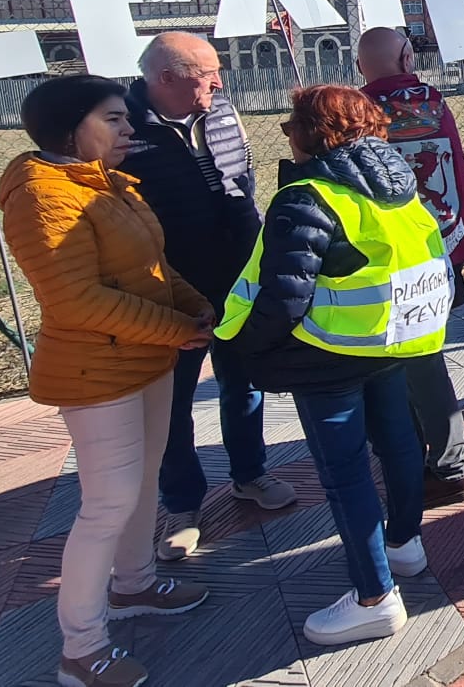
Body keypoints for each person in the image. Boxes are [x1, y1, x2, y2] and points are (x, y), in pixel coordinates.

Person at [215, 86, 453, 646]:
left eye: (290, 125)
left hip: (325, 358)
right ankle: (405, 544)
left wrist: (247, 349)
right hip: (388, 344)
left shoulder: (307, 197)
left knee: (345, 475)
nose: (286, 135)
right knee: (399, 445)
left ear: (312, 133)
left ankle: (374, 598)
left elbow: (284, 297)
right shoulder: (399, 188)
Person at [0, 75, 213, 687]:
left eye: (126, 117)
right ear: (72, 129)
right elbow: (75, 300)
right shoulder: (42, 197)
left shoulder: (107, 183)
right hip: (97, 371)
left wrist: (195, 306)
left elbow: (153, 266)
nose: (129, 128)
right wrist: (175, 328)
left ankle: (135, 585)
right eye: (114, 119)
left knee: (142, 481)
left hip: (146, 357)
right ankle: (82, 649)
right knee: (107, 504)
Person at [124, 31, 294, 563]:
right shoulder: (124, 127)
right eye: (207, 74)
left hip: (237, 276)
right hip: (168, 289)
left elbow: (242, 181)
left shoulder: (221, 111)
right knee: (172, 402)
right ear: (165, 79)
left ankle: (250, 474)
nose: (219, 83)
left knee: (243, 383)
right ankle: (181, 505)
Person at [357, 26, 464, 505]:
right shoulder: (435, 102)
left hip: (386, 258)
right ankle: (441, 462)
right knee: (424, 357)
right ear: (408, 57)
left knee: (402, 364)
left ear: (361, 66)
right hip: (437, 250)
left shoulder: (357, 113)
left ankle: (439, 464)